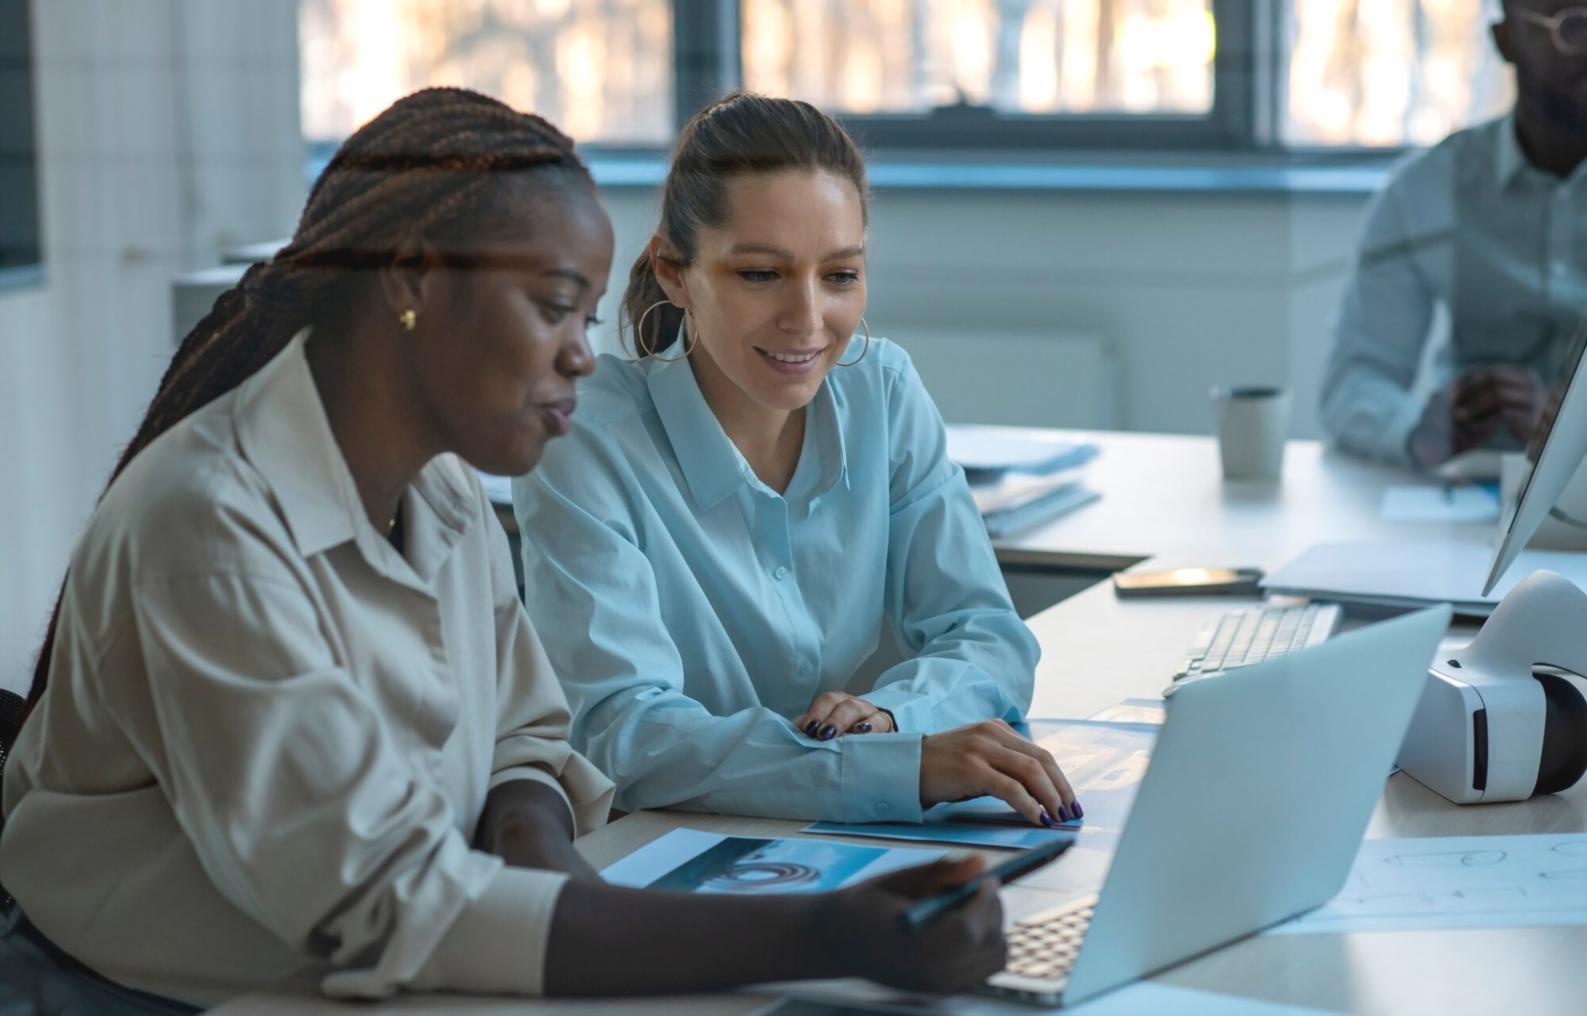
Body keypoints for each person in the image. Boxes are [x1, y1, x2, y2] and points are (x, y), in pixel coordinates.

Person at [0, 88, 1006, 1012]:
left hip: (379, 971)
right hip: (151, 996)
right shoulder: (211, 530)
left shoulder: (434, 484)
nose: (582, 353)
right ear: (411, 283)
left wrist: (539, 847)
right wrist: (821, 931)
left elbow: (524, 734)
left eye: (586, 314)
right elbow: (395, 905)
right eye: (551, 306)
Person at [514, 92, 1079, 828]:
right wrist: (887, 767)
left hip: (840, 841)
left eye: (839, 276)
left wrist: (887, 719)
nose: (807, 320)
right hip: (656, 849)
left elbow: (987, 634)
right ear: (674, 270)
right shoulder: (584, 436)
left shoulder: (882, 391)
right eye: (760, 274)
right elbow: (623, 733)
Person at [1319, 0, 1587, 469]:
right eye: (1574, 25)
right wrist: (1421, 429)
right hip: (1470, 484)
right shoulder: (1426, 189)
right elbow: (1353, 384)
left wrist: (1570, 431)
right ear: (1505, 41)